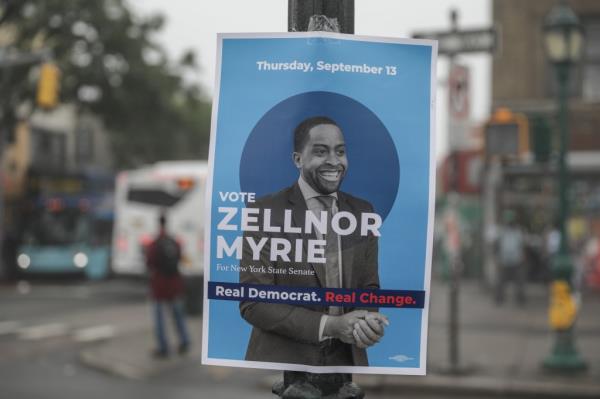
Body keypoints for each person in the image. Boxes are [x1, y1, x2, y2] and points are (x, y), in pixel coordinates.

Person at [239, 116, 388, 367]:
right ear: (298, 159)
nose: (333, 161)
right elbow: (254, 302)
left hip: (346, 361)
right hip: (282, 366)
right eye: (320, 152)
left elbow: (368, 288)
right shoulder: (264, 211)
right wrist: (330, 326)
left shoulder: (364, 212)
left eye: (340, 152)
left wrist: (367, 322)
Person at [145, 213, 191, 358]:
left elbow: (149, 263)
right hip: (175, 284)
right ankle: (184, 341)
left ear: (158, 223)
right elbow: (180, 258)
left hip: (160, 285)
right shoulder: (175, 241)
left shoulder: (154, 243)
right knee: (178, 316)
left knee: (160, 319)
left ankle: (163, 347)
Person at [495, 209, 527, 305]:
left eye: (511, 221)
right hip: (504, 260)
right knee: (501, 281)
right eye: (508, 221)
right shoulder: (501, 231)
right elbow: (498, 245)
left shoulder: (518, 231)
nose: (509, 223)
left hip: (516, 260)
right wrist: (498, 258)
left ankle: (520, 300)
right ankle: (499, 299)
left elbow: (522, 245)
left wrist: (522, 256)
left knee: (519, 282)